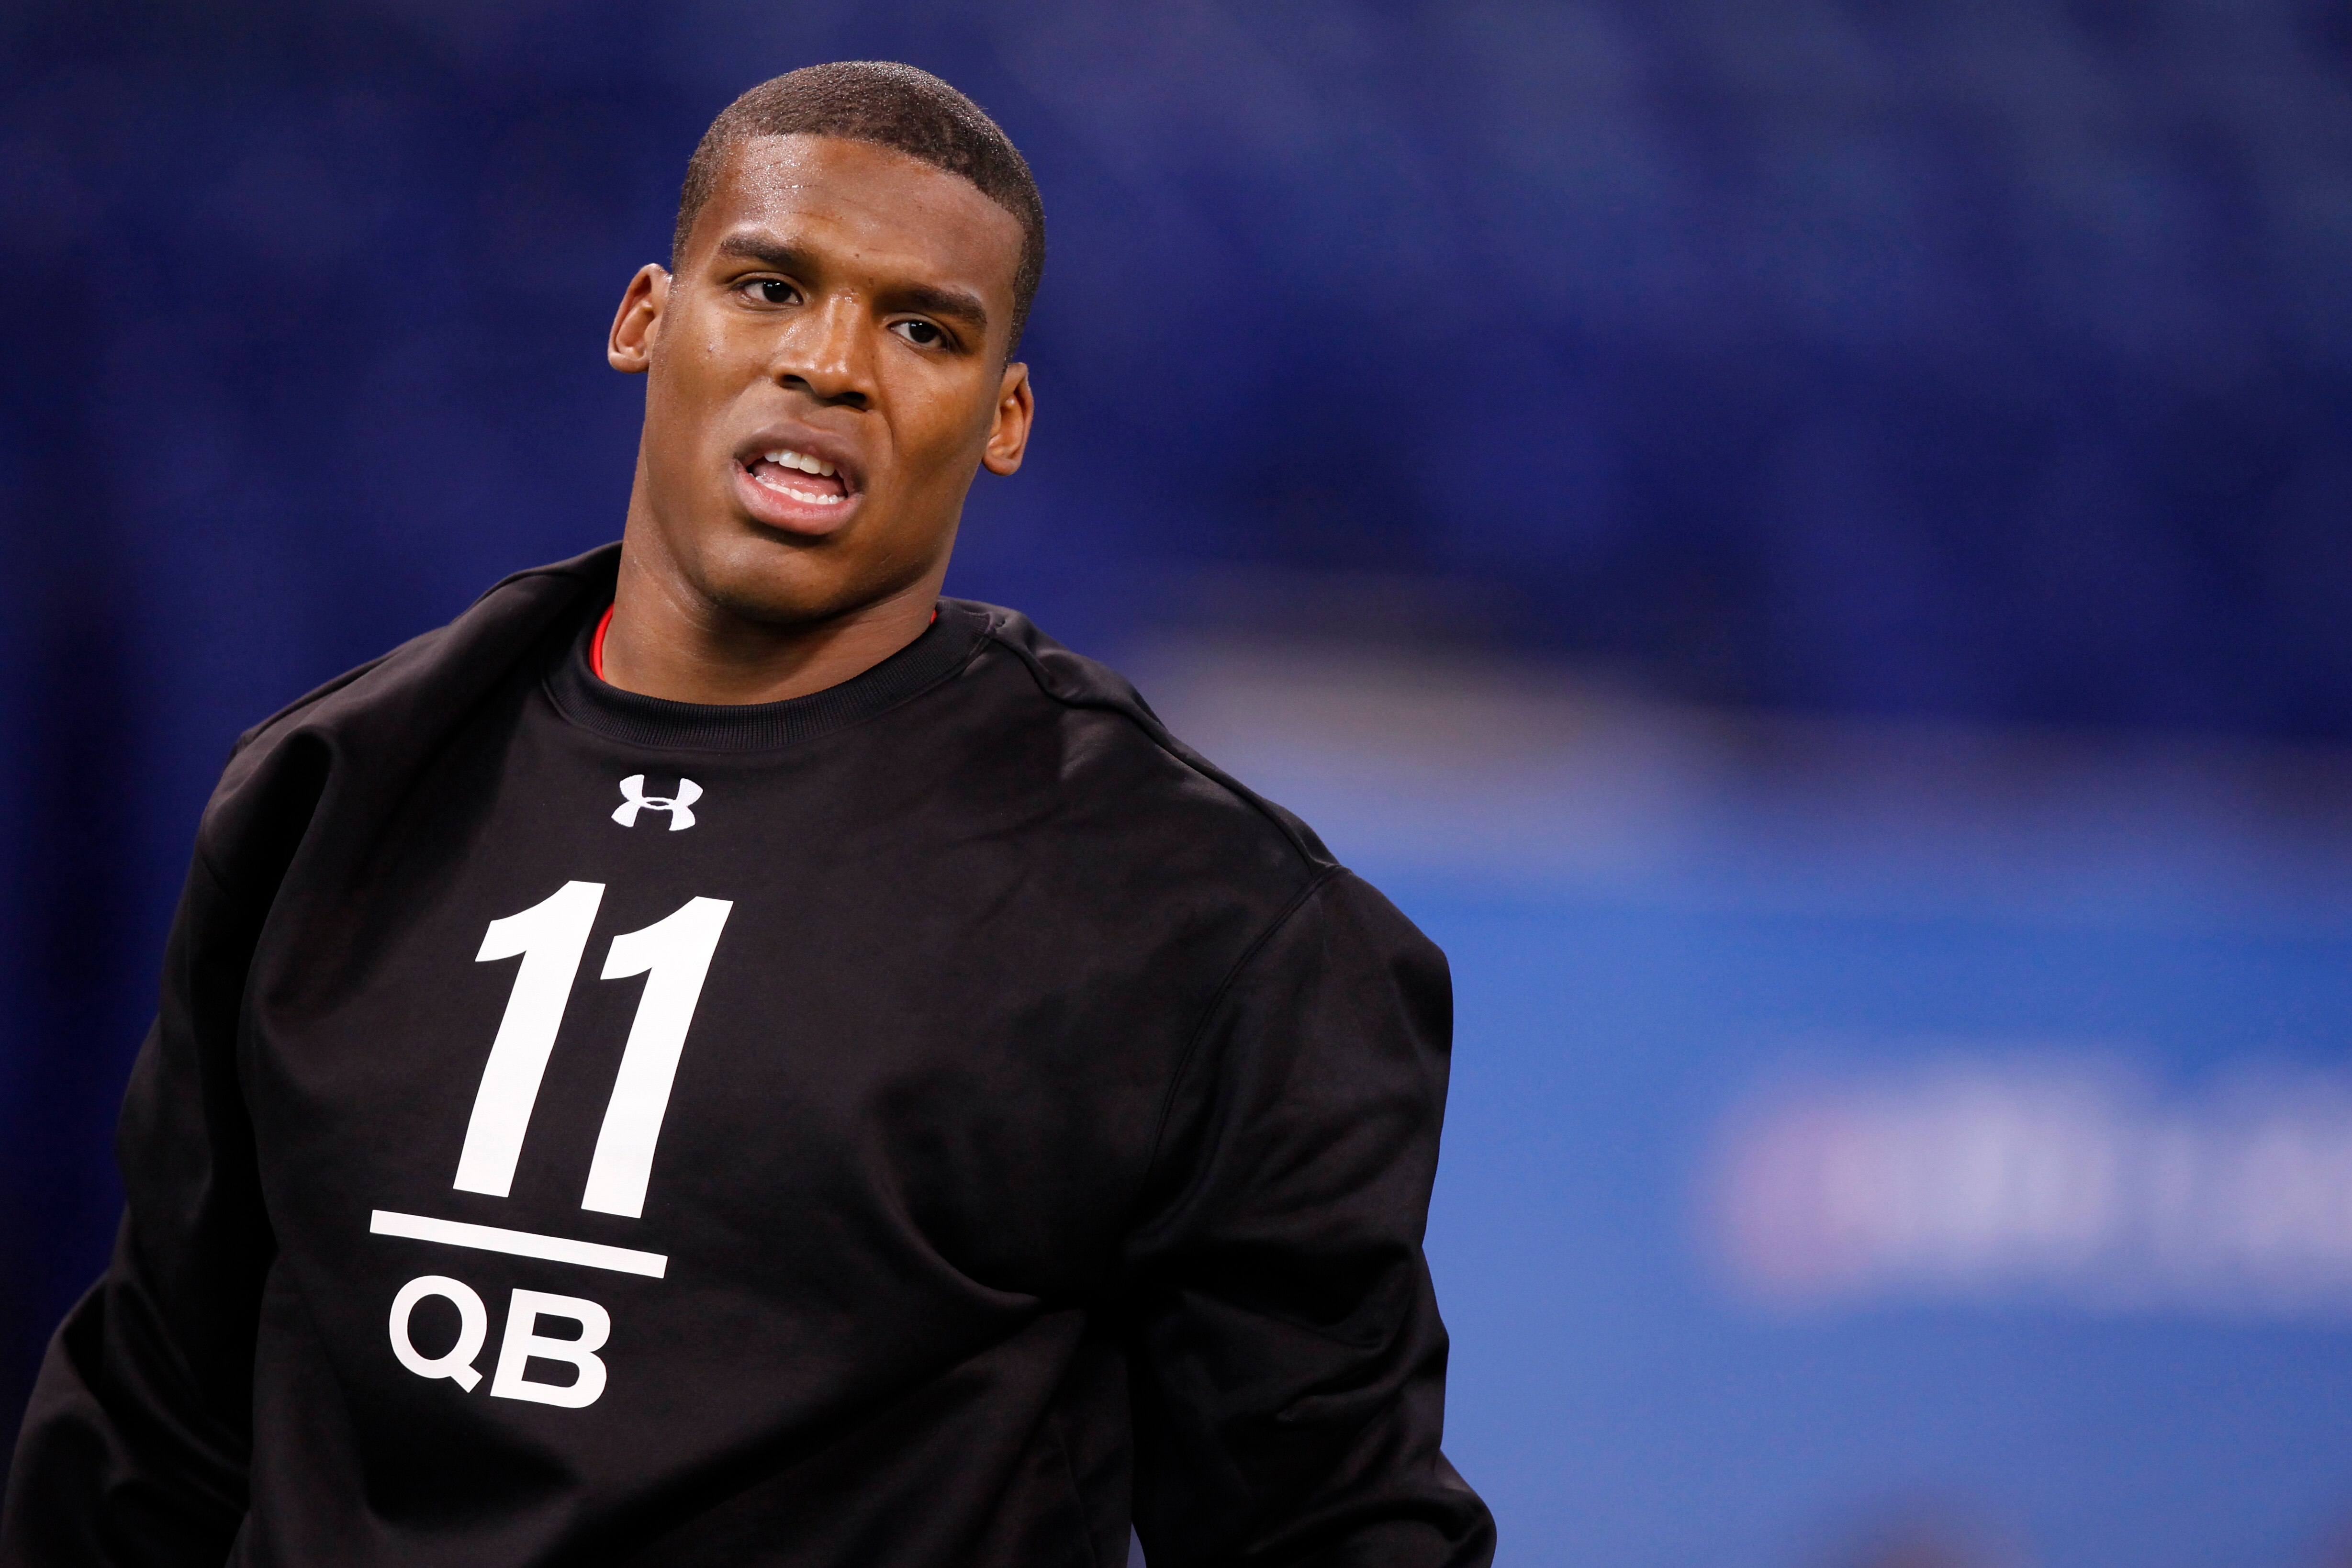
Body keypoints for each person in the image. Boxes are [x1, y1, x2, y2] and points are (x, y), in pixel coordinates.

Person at [0, 61, 1495, 1568]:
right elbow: (153, 1430)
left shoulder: (1201, 921)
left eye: (924, 329)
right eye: (771, 285)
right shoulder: (330, 796)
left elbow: (1330, 1525)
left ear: (1005, 416)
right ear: (645, 317)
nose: (832, 364)